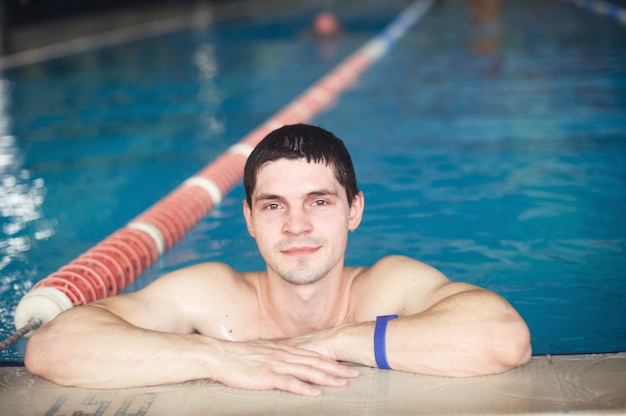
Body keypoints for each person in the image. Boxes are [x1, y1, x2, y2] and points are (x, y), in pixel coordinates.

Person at [24, 124, 531, 396]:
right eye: (273, 206)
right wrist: (217, 357)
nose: (296, 226)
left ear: (354, 210)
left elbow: (502, 337)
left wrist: (330, 341)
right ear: (248, 217)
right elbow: (51, 347)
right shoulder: (211, 296)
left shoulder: (388, 286)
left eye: (319, 201)